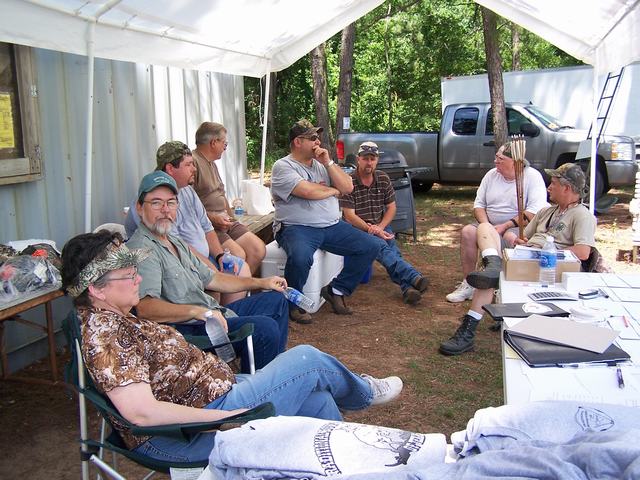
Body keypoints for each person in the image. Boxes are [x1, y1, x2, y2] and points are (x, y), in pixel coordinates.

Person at [60, 230, 403, 463]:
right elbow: (141, 413)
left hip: (220, 393)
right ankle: (363, 393)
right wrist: (224, 418)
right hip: (193, 430)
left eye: (135, 270)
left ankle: (347, 463)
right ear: (97, 290)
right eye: (127, 275)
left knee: (319, 400)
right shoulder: (105, 335)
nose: (137, 278)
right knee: (308, 360)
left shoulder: (120, 317)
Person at [125, 171, 288, 373]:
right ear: (140, 208)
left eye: (171, 202)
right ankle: (254, 390)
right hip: (190, 331)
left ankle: (270, 372)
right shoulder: (143, 249)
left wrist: (262, 283)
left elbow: (213, 279)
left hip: (211, 315)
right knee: (264, 329)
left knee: (277, 300)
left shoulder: (174, 241)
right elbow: (146, 308)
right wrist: (197, 311)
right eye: (156, 203)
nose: (165, 210)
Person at [439, 163, 596, 356]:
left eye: (553, 183)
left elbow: (583, 252)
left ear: (567, 188)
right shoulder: (547, 212)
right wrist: (522, 242)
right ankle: (493, 262)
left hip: (549, 268)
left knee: (489, 280)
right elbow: (524, 237)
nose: (549, 187)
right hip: (527, 258)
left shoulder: (582, 215)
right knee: (485, 228)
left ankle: (468, 331)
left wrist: (542, 253)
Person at [270, 120, 381, 323]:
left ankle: (336, 290)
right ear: (297, 141)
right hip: (297, 227)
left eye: (318, 137)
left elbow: (348, 187)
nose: (317, 141)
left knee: (372, 245)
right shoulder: (283, 166)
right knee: (302, 256)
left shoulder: (322, 165)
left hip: (331, 226)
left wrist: (329, 163)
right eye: (312, 138)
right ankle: (292, 305)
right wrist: (332, 191)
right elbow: (307, 191)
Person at [125, 141, 250, 305]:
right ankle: (220, 321)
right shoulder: (153, 200)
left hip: (202, 259)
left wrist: (219, 256)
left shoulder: (188, 191)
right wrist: (209, 268)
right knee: (217, 283)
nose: (194, 169)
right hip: (178, 266)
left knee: (240, 267)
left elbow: (207, 227)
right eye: (189, 164)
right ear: (170, 168)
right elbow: (177, 246)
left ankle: (230, 318)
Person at [446, 142, 547, 303]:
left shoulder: (532, 177)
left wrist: (505, 226)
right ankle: (469, 283)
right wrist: (486, 226)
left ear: (514, 162)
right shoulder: (491, 175)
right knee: (468, 232)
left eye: (500, 159)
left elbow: (534, 212)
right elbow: (479, 205)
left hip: (517, 228)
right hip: (489, 224)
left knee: (509, 237)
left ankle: (500, 287)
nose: (495, 161)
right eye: (496, 157)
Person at [339, 141, 429, 305]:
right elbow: (349, 216)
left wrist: (379, 228)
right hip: (356, 229)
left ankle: (408, 288)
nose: (369, 162)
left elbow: (391, 208)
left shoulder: (382, 178)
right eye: (365, 158)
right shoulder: (348, 181)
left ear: (377, 160)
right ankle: (413, 276)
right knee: (382, 248)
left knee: (392, 252)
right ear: (358, 159)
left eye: (372, 158)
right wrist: (372, 230)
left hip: (379, 225)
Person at [191, 122, 266, 274]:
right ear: (214, 142)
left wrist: (233, 221)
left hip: (224, 222)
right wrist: (213, 218)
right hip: (207, 225)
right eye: (225, 143)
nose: (226, 147)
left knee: (258, 249)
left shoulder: (212, 164)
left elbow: (221, 195)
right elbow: (187, 205)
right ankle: (233, 292)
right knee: (238, 255)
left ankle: (241, 291)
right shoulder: (193, 163)